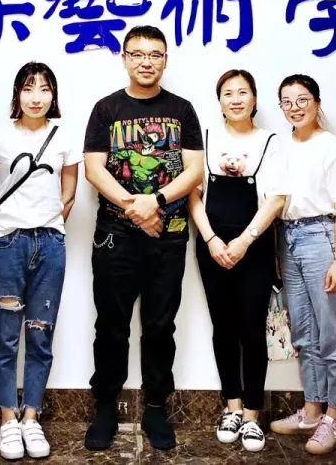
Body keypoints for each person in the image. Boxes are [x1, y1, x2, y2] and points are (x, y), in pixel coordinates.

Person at [82, 25, 204, 451]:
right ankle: (104, 408)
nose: (146, 61)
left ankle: (155, 408)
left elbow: (194, 171)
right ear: (125, 58)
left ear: (165, 60)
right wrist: (137, 209)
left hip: (167, 239)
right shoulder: (106, 109)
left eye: (155, 54)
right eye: (137, 54)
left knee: (159, 328)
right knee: (110, 327)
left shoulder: (182, 110)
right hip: (115, 238)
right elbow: (94, 169)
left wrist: (157, 201)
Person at [0, 62, 81, 460]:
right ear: (17, 94)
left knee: (40, 334)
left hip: (50, 244)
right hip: (7, 244)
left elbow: (69, 193)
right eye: (28, 88)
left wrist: (50, 224)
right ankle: (7, 419)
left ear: (54, 95)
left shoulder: (64, 136)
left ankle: (31, 417)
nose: (36, 97)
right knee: (5, 337)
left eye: (44, 89)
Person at [189, 69, 287, 452]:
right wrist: (211, 240)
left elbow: (276, 199)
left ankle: (251, 415)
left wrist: (245, 241)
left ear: (254, 99)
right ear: (219, 102)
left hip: (255, 247)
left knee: (252, 330)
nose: (235, 99)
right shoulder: (206, 138)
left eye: (242, 92)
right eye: (227, 93)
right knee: (224, 327)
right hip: (212, 246)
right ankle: (231, 406)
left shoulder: (269, 141)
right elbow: (193, 194)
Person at [268, 74, 336, 456]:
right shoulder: (280, 146)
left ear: (317, 103)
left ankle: (335, 417)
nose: (295, 108)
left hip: (322, 238)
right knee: (303, 333)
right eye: (287, 102)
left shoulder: (333, 147)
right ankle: (311, 411)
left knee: (331, 334)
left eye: (302, 99)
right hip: (288, 238)